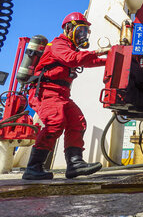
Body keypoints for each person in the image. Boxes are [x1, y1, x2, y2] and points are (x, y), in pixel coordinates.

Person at [22, 12, 109, 180]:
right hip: (46, 92)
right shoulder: (58, 44)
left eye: (85, 32)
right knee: (55, 123)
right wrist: (99, 51)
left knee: (77, 122)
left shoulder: (71, 48)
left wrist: (111, 57)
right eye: (80, 31)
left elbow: (87, 61)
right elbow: (72, 59)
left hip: (61, 94)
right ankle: (33, 167)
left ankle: (75, 164)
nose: (83, 35)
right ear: (69, 29)